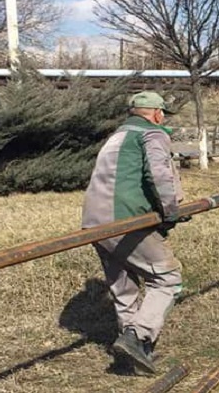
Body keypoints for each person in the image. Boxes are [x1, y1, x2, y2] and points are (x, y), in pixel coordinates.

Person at [81, 91, 187, 375]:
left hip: (93, 222)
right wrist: (171, 211)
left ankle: (134, 357)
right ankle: (138, 336)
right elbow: (159, 173)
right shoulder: (152, 133)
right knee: (167, 279)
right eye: (163, 114)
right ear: (157, 114)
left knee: (123, 287)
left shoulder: (116, 136)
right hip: (125, 220)